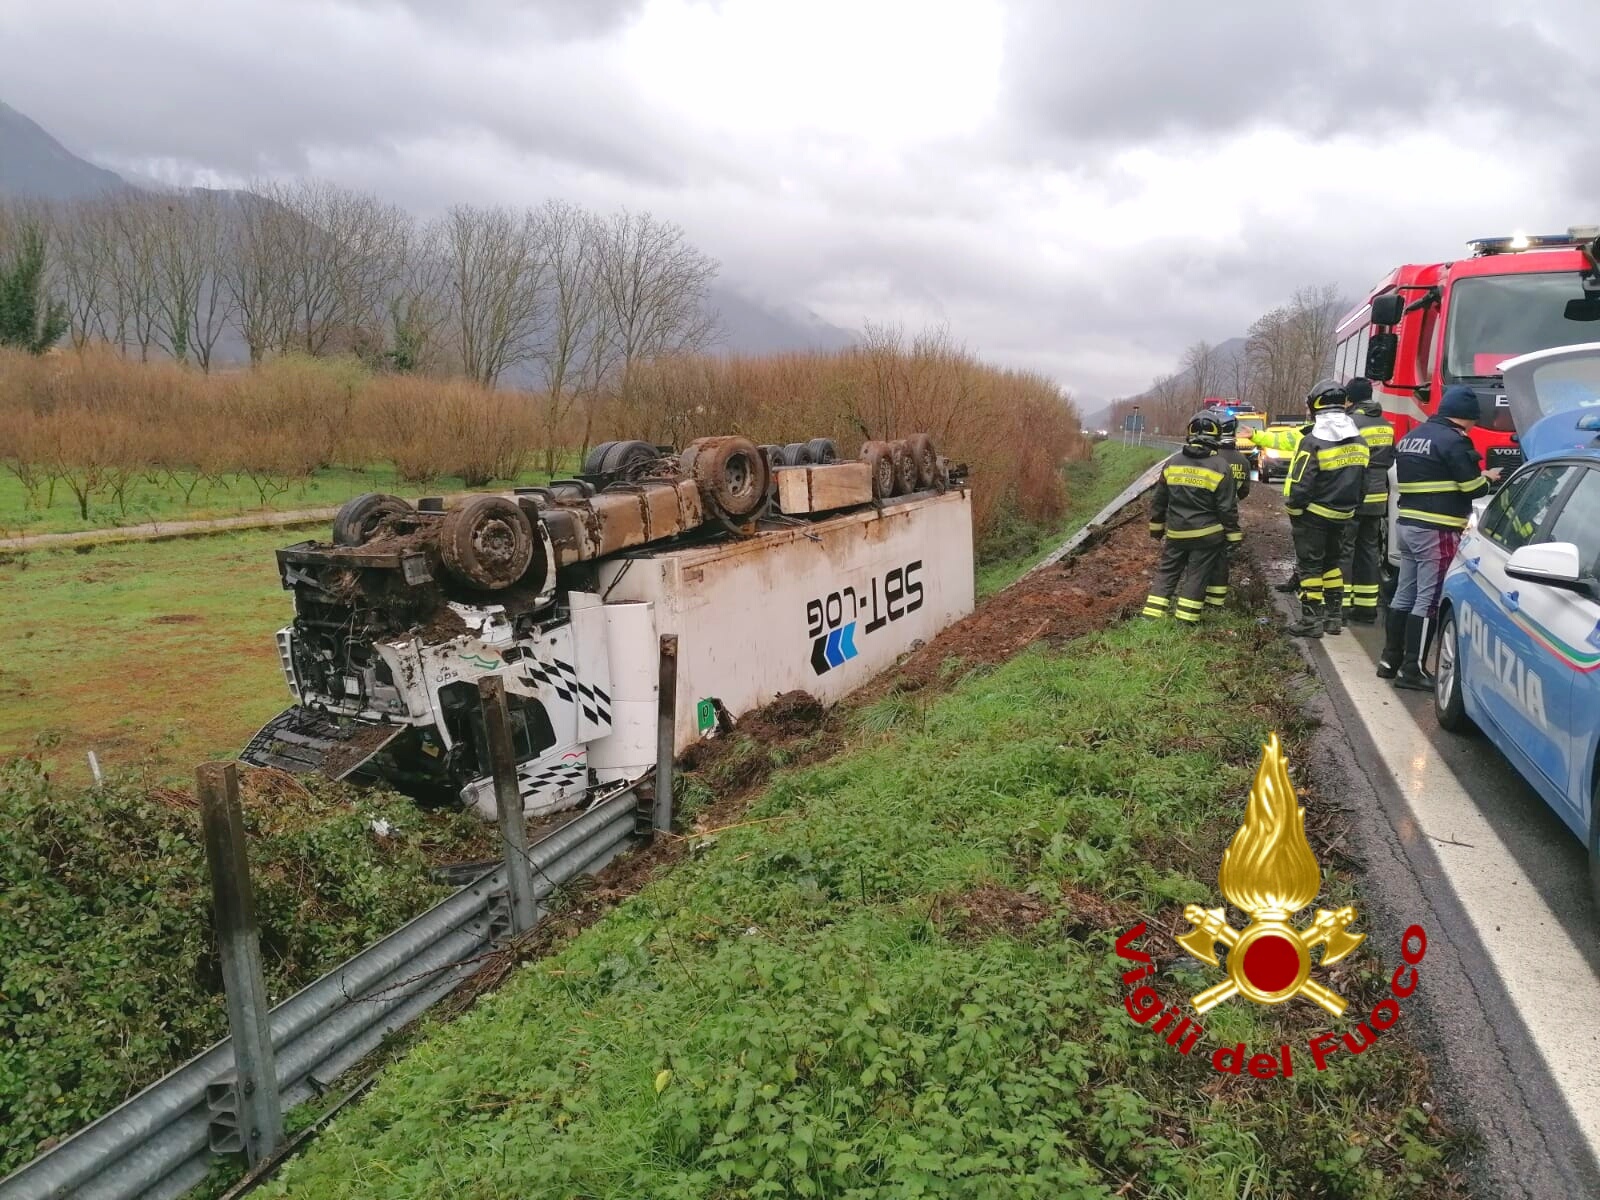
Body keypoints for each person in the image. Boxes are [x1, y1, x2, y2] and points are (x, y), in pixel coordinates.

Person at [1380, 385, 1502, 688]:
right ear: (1467, 417)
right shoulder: (1455, 441)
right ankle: (1412, 670)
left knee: (1404, 594)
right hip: (1437, 529)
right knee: (1429, 599)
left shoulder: (1413, 437)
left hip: (1407, 526)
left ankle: (1389, 660)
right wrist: (1488, 479)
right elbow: (1472, 489)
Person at [1284, 380, 1368, 638]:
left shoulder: (1312, 442)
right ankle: (1333, 619)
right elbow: (1363, 484)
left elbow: (1301, 483)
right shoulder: (1360, 441)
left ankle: (1311, 621)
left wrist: (1295, 511)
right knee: (1332, 565)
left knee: (1310, 567)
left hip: (1314, 515)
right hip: (1344, 515)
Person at [1143, 410, 1242, 626]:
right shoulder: (1221, 466)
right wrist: (1234, 536)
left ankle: (1150, 618)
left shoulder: (1173, 463)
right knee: (1197, 576)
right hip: (1207, 536)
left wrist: (1156, 528)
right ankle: (1185, 621)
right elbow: (1226, 508)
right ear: (1216, 436)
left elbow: (1159, 500)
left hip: (1176, 533)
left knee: (1167, 572)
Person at [1340, 378, 1394, 624]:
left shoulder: (1350, 422)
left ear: (1350, 398)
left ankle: (1340, 606)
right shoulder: (1386, 424)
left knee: (1345, 550)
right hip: (1378, 497)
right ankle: (1367, 608)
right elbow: (1390, 460)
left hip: (1354, 494)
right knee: (1369, 550)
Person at [1241, 417, 1307, 594]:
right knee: (1304, 542)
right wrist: (1255, 435)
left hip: (1313, 500)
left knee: (1310, 545)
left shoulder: (1316, 432)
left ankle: (1309, 589)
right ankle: (1301, 578)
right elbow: (1280, 439)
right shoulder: (1308, 431)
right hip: (1311, 498)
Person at [1206, 413, 1253, 610]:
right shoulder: (1243, 461)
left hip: (1206, 517)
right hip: (1230, 517)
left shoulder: (1211, 458)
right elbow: (1244, 491)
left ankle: (1198, 595)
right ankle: (1216, 603)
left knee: (1201, 560)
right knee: (1221, 561)